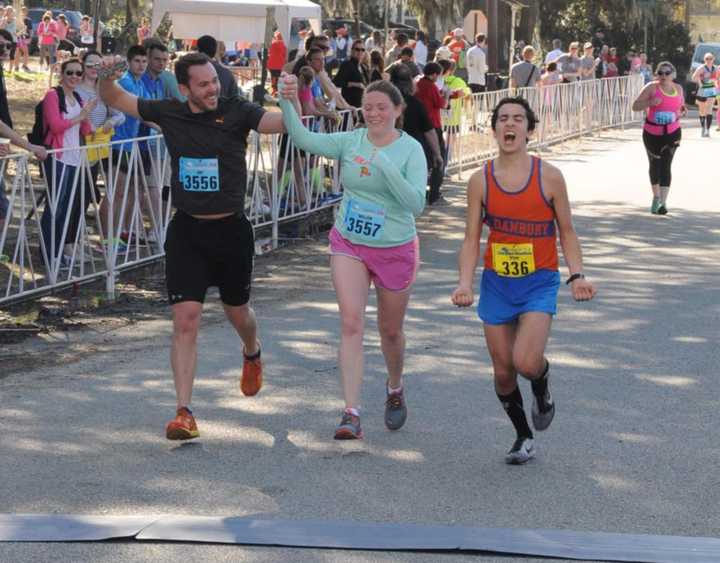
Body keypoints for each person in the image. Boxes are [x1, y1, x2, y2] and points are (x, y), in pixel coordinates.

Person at [99, 52, 288, 440]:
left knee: (238, 313)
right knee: (185, 321)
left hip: (231, 232)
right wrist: (103, 76)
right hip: (187, 232)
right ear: (184, 89)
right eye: (203, 84)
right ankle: (183, 412)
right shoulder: (169, 110)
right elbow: (116, 99)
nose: (213, 88)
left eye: (214, 81)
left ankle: (252, 351)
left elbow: (276, 124)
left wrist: (291, 100)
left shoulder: (236, 110)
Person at [278, 75, 426, 439]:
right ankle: (351, 413)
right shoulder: (350, 140)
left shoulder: (410, 150)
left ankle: (394, 387)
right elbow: (303, 139)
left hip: (394, 246)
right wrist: (285, 100)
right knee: (350, 323)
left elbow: (415, 205)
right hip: (350, 242)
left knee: (390, 332)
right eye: (368, 107)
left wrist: (385, 166)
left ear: (398, 110)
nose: (373, 113)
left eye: (382, 107)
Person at [451, 96, 596, 465]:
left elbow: (567, 231)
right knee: (502, 373)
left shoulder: (549, 177)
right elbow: (471, 238)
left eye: (518, 119)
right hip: (498, 284)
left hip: (539, 281)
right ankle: (523, 436)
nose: (509, 125)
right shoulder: (479, 180)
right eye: (502, 119)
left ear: (529, 130)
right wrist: (465, 283)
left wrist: (577, 275)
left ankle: (542, 385)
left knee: (526, 362)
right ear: (494, 128)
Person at [39, 57, 96, 267]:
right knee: (54, 207)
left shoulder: (79, 99)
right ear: (62, 74)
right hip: (57, 157)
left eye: (78, 73)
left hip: (74, 159)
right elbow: (55, 126)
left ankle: (58, 252)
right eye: (70, 72)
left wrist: (88, 114)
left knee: (66, 207)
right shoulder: (53, 96)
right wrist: (80, 117)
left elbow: (87, 130)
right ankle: (48, 254)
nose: (74, 77)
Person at [75, 50, 125, 244]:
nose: (94, 69)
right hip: (75, 148)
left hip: (95, 150)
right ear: (82, 65)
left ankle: (79, 237)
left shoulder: (104, 90)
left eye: (98, 65)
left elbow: (119, 114)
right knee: (75, 193)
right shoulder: (75, 88)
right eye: (90, 65)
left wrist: (109, 123)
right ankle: (72, 238)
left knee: (87, 193)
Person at [632, 61, 686, 215]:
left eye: (667, 73)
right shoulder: (651, 88)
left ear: (673, 75)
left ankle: (663, 202)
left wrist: (682, 110)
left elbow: (680, 106)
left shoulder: (679, 88)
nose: (663, 76)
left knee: (666, 165)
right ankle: (656, 198)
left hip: (672, 132)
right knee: (655, 165)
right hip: (652, 133)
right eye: (660, 73)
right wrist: (650, 102)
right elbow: (634, 106)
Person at [415, 62, 449, 204]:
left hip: (418, 127)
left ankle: (421, 191)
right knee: (439, 158)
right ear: (434, 74)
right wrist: (446, 95)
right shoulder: (431, 86)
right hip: (433, 125)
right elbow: (442, 104)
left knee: (422, 160)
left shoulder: (417, 84)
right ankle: (434, 193)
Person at [197, 34, 239, 99]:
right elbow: (235, 99)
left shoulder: (190, 71)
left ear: (198, 49)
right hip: (224, 108)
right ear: (215, 50)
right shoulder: (226, 73)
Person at [333, 39, 369, 109]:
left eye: (362, 50)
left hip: (361, 106)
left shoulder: (363, 67)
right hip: (349, 106)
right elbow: (336, 82)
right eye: (357, 49)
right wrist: (354, 84)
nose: (360, 52)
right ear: (352, 50)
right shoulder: (347, 65)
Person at [691, 53, 717, 138]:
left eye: (710, 58)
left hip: (711, 91)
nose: (709, 60)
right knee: (702, 111)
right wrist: (699, 81)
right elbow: (693, 77)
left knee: (709, 109)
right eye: (707, 59)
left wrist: (716, 82)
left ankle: (707, 131)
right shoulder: (701, 68)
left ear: (713, 59)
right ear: (704, 60)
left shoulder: (716, 68)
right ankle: (703, 127)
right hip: (702, 91)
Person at [268, 31, 287, 96]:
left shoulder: (273, 44)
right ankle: (278, 91)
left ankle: (274, 90)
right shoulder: (284, 45)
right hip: (280, 65)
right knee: (279, 78)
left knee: (273, 78)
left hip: (272, 64)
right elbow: (285, 55)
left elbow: (270, 52)